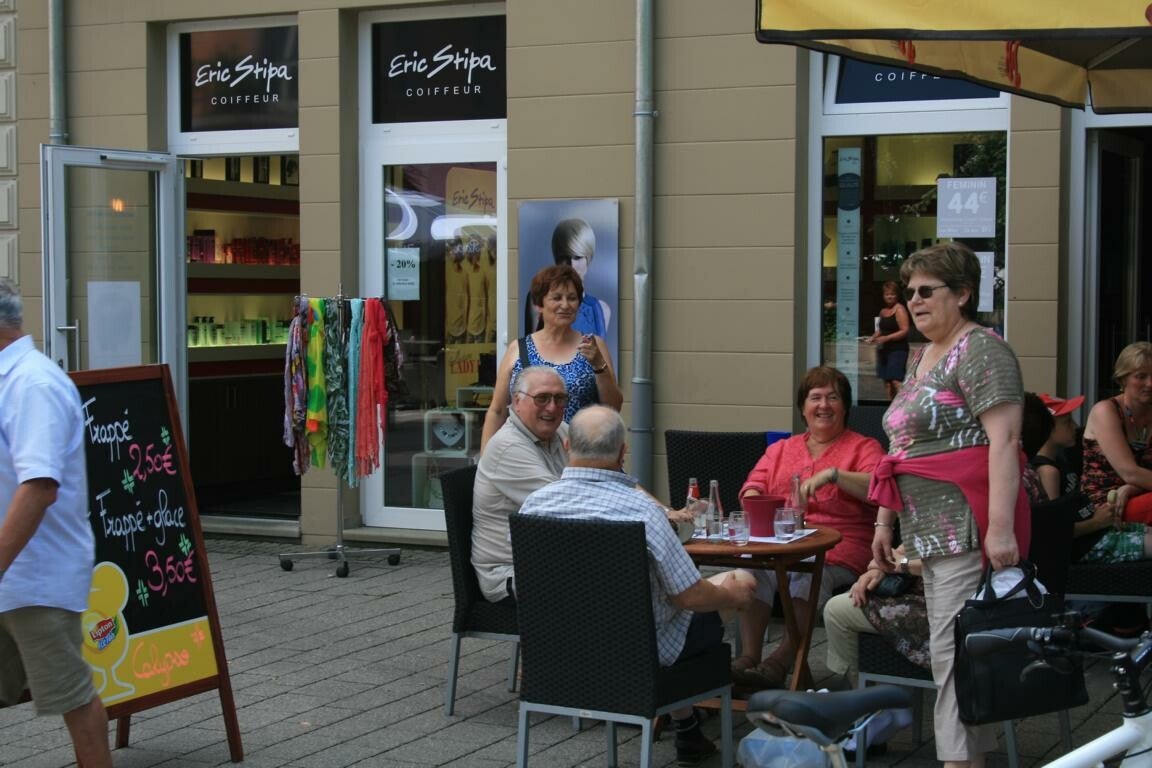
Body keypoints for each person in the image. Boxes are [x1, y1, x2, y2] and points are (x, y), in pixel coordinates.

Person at [519, 405, 756, 764]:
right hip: (641, 654)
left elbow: (527, 590)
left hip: (559, 653)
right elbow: (689, 596)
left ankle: (688, 728)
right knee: (739, 583)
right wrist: (730, 594)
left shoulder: (534, 507)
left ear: (567, 447)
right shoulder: (643, 512)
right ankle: (690, 724)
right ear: (622, 452)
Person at [869, 241, 1029, 768]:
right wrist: (884, 523)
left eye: (926, 290)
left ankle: (958, 763)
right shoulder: (921, 356)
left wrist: (1000, 529)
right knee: (955, 656)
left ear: (961, 294)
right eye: (910, 291)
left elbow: (1005, 442)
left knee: (953, 656)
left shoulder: (982, 350)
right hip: (926, 530)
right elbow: (899, 449)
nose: (914, 300)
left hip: (965, 521)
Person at [0, 278, 112, 768]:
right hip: (14, 577)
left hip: (33, 579)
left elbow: (39, 487)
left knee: (72, 698)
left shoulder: (32, 384)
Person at [733, 366, 885, 689]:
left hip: (840, 548)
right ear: (803, 408)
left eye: (833, 397)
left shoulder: (864, 447)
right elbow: (752, 487)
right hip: (783, 544)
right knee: (751, 567)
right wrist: (756, 499)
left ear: (845, 406)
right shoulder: (781, 449)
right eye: (815, 397)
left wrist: (834, 475)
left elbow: (879, 487)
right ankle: (749, 657)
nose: (824, 405)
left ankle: (782, 660)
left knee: (806, 571)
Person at [482, 265, 621, 450]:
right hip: (527, 454)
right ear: (539, 304)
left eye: (572, 298)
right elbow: (497, 410)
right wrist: (485, 459)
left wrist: (599, 366)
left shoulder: (593, 345)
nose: (565, 305)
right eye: (557, 298)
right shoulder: (518, 349)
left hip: (582, 453)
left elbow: (614, 407)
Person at [471, 366, 570, 603]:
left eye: (559, 398)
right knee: (614, 582)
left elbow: (606, 471)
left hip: (552, 558)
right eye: (542, 398)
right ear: (517, 401)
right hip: (511, 573)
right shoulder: (508, 447)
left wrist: (655, 507)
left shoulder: (560, 430)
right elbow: (567, 506)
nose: (552, 407)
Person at [1072, 342, 1152, 562]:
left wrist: (1132, 488)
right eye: (1141, 376)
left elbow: (1135, 477)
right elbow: (1130, 471)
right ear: (1123, 379)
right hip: (1105, 508)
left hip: (1138, 497)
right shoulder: (1105, 411)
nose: (1150, 383)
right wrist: (1131, 484)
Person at [524, 217, 611, 337]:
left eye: (578, 257)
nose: (571, 265)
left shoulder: (601, 309)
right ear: (556, 259)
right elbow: (530, 346)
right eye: (565, 257)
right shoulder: (538, 299)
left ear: (588, 258)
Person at [1032, 393, 1086, 501]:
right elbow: (1053, 511)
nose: (1075, 426)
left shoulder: (1060, 459)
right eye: (1067, 422)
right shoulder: (1048, 471)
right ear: (1048, 427)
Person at [869, 280, 911, 401]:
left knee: (896, 380)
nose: (889, 297)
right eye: (887, 294)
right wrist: (873, 337)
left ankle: (904, 405)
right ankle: (890, 406)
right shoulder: (883, 311)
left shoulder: (900, 309)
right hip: (884, 350)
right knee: (887, 382)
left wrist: (886, 338)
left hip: (897, 350)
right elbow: (879, 330)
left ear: (897, 295)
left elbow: (905, 330)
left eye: (892, 294)